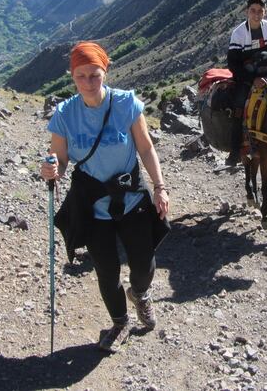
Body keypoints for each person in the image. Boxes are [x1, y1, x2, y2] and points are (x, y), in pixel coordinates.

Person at [40, 41, 170, 353]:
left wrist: (159, 186)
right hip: (92, 204)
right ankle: (120, 320)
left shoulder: (126, 103)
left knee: (143, 263)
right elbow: (60, 158)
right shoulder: (64, 114)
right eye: (81, 76)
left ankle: (140, 292)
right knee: (106, 270)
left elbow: (145, 147)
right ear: (72, 77)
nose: (88, 82)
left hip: (131, 198)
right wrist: (51, 169)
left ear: (105, 72)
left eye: (94, 75)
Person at [226, 0, 267, 175]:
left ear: (265, 12)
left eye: (260, 11)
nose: (256, 14)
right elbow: (233, 63)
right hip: (248, 75)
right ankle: (234, 151)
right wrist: (251, 79)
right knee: (239, 105)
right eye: (253, 11)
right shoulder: (238, 34)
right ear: (247, 12)